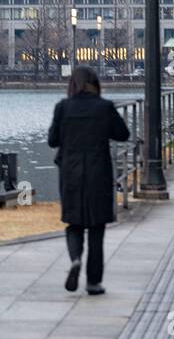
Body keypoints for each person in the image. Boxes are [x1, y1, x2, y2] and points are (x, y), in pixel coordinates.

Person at [47, 65, 130, 296]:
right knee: (96, 228)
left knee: (74, 223)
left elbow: (52, 140)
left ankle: (75, 259)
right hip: (98, 172)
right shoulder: (104, 107)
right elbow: (123, 134)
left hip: (71, 172)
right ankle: (93, 282)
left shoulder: (63, 108)